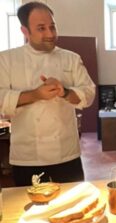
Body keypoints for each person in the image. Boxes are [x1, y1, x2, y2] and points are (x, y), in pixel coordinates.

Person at [0, 2, 96, 186]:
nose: (50, 34)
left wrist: (65, 92)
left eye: (52, 27)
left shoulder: (71, 58)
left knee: (75, 207)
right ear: (25, 31)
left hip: (67, 155)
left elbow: (88, 94)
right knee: (31, 210)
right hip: (27, 157)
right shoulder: (6, 60)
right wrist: (36, 94)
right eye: (41, 28)